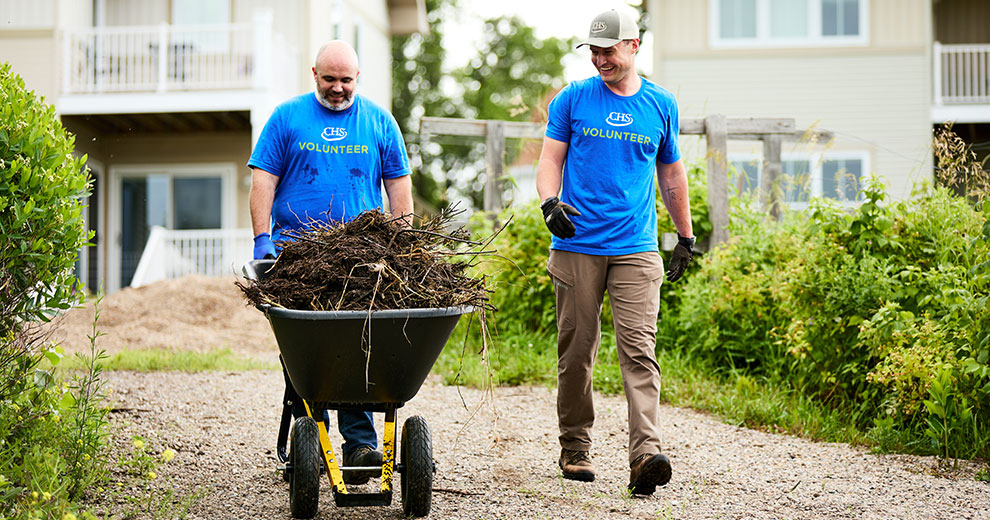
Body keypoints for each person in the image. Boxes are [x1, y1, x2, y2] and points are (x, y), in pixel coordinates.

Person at [535, 9, 695, 496]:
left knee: (639, 353)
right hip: (577, 244)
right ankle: (576, 447)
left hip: (637, 248)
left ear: (634, 46)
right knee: (576, 353)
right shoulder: (574, 98)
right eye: (594, 51)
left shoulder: (661, 104)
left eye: (609, 49)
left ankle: (645, 453)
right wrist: (549, 204)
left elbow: (671, 174)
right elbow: (549, 159)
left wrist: (684, 237)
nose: (601, 59)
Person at [247, 40, 413, 484]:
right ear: (314, 73)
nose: (338, 89)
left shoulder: (379, 121)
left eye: (346, 80)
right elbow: (263, 180)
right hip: (297, 256)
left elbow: (399, 190)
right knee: (308, 352)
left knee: (359, 343)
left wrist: (404, 244)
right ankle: (311, 434)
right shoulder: (287, 118)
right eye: (330, 79)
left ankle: (359, 443)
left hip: (362, 257)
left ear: (357, 78)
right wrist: (263, 240)